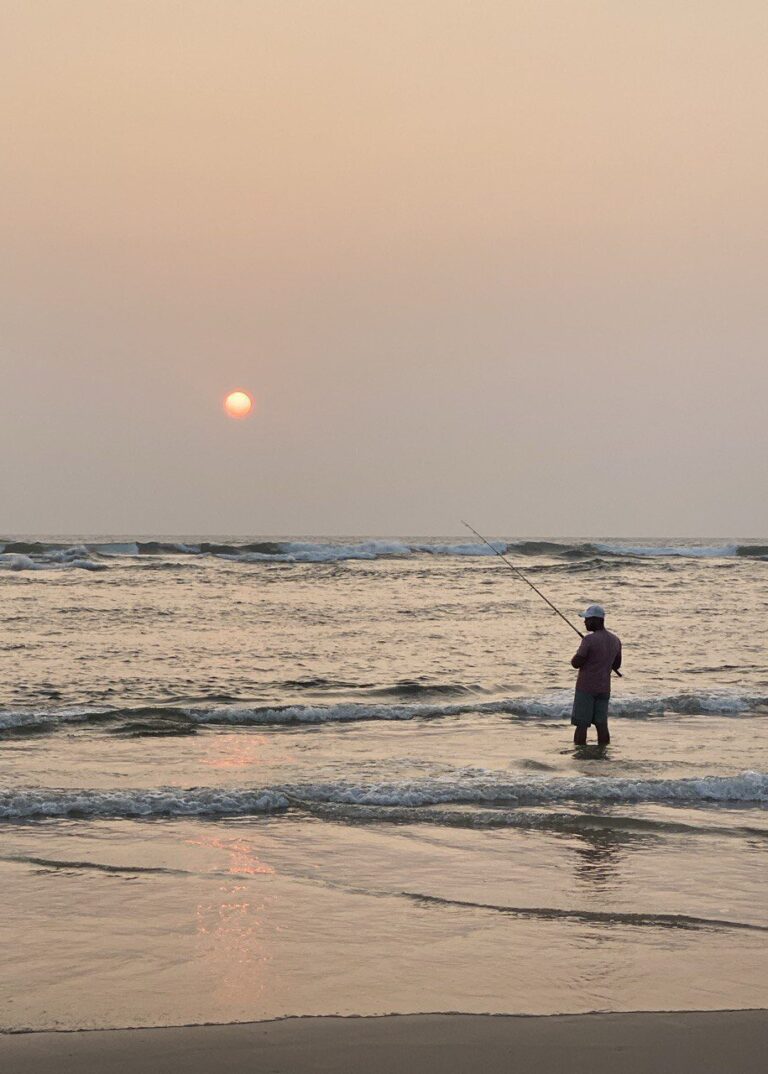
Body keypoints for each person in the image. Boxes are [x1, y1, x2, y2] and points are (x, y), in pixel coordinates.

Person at [570, 603, 622, 746]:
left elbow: (575, 663)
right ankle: (602, 752)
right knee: (602, 724)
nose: (585, 622)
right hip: (604, 689)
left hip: (586, 688)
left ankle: (580, 752)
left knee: (582, 724)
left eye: (587, 619)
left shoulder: (589, 640)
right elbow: (617, 665)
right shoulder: (615, 640)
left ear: (596, 620)